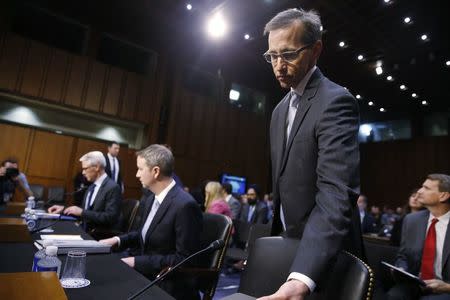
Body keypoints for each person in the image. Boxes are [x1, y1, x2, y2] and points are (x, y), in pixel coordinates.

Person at [261, 8, 362, 300]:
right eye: (272, 56)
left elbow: (335, 192)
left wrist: (303, 276)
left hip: (325, 259)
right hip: (288, 248)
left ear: (316, 50)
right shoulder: (279, 110)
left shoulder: (336, 102)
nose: (278, 65)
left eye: (288, 54)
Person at [99, 144, 203, 300]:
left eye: (140, 169)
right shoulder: (150, 198)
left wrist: (137, 262)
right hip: (147, 274)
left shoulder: (185, 205)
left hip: (167, 284)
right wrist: (117, 240)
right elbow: (143, 234)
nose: (137, 174)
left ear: (155, 171)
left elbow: (184, 260)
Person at [387, 174, 450, 300]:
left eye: (426, 188)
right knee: (394, 296)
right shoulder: (412, 220)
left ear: (443, 196)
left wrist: (447, 287)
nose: (420, 191)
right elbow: (403, 255)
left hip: (445, 288)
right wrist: (401, 269)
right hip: (415, 284)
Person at [48, 151, 121, 232]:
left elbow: (110, 218)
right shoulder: (91, 187)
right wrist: (65, 209)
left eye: (85, 168)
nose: (83, 172)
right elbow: (85, 212)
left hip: (97, 236)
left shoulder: (113, 187)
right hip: (83, 231)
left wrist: (82, 212)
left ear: (97, 167)